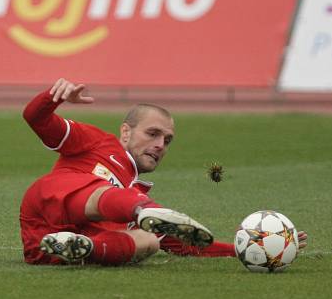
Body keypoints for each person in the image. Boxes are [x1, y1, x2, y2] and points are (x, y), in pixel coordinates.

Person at [19, 78, 306, 265]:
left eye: (167, 140)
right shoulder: (98, 143)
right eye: (153, 133)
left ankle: (83, 248)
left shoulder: (134, 189)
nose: (160, 145)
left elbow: (186, 244)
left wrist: (250, 246)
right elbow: (35, 117)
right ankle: (139, 212)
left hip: (45, 250)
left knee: (150, 240)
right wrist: (54, 97)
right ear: (126, 132)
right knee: (109, 196)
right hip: (47, 206)